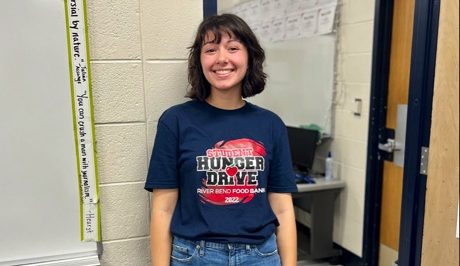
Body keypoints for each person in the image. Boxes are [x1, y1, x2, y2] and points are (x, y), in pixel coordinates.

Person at [145, 13, 298, 266]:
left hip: (260, 255)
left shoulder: (271, 124)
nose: (221, 59)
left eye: (233, 48)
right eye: (211, 49)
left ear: (249, 57)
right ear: (200, 60)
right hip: (195, 256)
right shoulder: (175, 121)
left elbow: (282, 207)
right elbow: (162, 209)